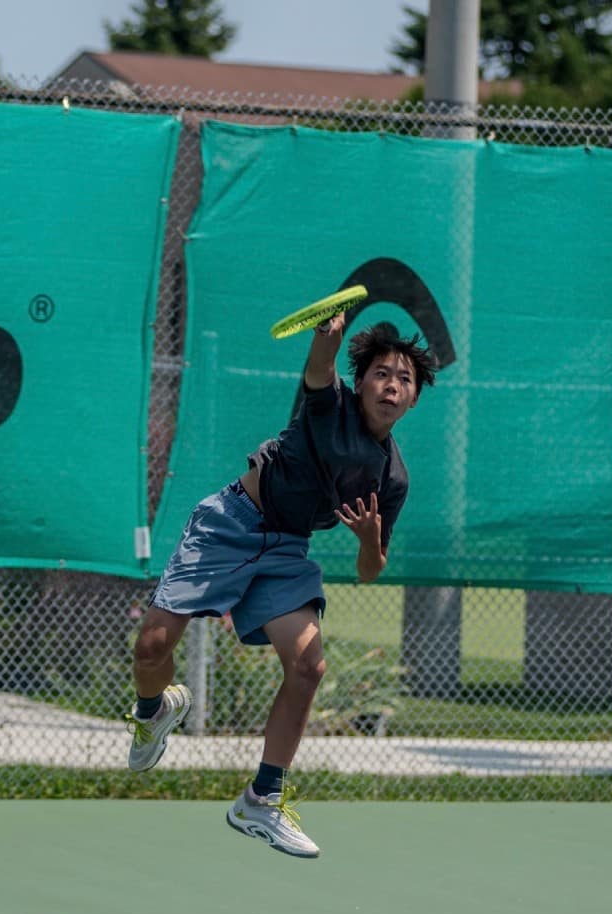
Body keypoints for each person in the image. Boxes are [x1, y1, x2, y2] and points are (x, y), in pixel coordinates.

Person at [125, 308, 437, 858]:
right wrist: (328, 337)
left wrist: (369, 540)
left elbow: (371, 569)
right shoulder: (330, 405)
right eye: (382, 373)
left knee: (309, 665)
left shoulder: (393, 478)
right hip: (232, 523)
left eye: (404, 379)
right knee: (151, 647)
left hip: (286, 549)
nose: (392, 385)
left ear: (413, 399)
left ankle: (262, 799)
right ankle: (154, 712)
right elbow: (319, 367)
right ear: (360, 383)